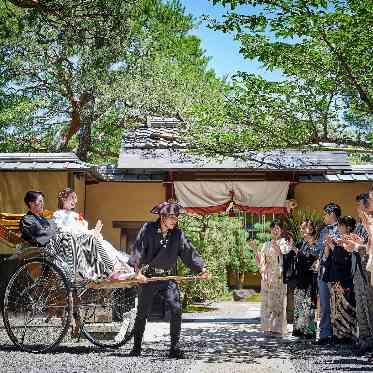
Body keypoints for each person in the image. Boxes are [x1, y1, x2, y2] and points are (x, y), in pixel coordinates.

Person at [128, 201, 208, 359]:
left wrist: (202, 269)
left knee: (176, 309)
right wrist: (137, 272)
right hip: (149, 277)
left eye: (176, 217)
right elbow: (138, 249)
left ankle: (174, 347)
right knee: (142, 313)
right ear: (162, 217)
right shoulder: (148, 229)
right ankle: (136, 347)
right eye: (171, 217)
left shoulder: (177, 234)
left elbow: (188, 252)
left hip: (168, 278)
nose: (174, 220)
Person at [20, 190, 111, 281]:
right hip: (45, 248)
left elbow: (57, 230)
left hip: (59, 243)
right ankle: (84, 272)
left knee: (88, 239)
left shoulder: (46, 220)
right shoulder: (27, 220)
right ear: (31, 203)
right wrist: (59, 235)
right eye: (39, 201)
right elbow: (38, 237)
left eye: (42, 201)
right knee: (68, 237)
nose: (42, 204)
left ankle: (103, 270)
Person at [53, 188, 134, 280]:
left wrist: (94, 231)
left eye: (75, 198)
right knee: (93, 241)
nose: (75, 201)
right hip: (71, 242)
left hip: (83, 238)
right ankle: (111, 272)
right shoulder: (58, 214)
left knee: (104, 243)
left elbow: (83, 230)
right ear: (64, 199)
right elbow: (63, 230)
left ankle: (120, 269)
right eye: (72, 198)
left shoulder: (75, 214)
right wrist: (87, 234)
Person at [323, 216, 356, 344]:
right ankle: (337, 334)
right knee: (335, 307)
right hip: (335, 277)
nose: (339, 228)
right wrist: (329, 244)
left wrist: (332, 245)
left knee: (345, 306)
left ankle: (345, 336)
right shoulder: (339, 239)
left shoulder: (351, 239)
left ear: (348, 227)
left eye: (341, 225)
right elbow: (330, 257)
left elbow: (341, 258)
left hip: (344, 278)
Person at [256, 219, 292, 337]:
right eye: (273, 228)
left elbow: (286, 258)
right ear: (270, 230)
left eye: (278, 228)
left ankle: (278, 328)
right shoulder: (266, 244)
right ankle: (268, 327)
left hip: (279, 275)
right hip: (268, 275)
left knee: (279, 301)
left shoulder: (285, 243)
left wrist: (278, 248)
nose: (275, 230)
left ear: (281, 230)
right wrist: (255, 251)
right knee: (268, 302)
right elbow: (261, 260)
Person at [284, 219, 318, 339]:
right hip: (300, 278)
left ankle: (309, 331)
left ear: (312, 229)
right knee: (299, 305)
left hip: (309, 279)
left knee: (308, 305)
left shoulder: (314, 243)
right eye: (301, 228)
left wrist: (295, 250)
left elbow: (309, 259)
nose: (302, 230)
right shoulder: (302, 243)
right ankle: (299, 329)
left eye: (304, 228)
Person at [314, 202, 341, 345]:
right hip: (324, 269)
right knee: (324, 303)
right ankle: (325, 334)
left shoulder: (341, 228)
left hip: (337, 271)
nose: (323, 216)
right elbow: (317, 248)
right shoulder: (324, 230)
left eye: (325, 213)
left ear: (331, 214)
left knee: (337, 303)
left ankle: (339, 334)